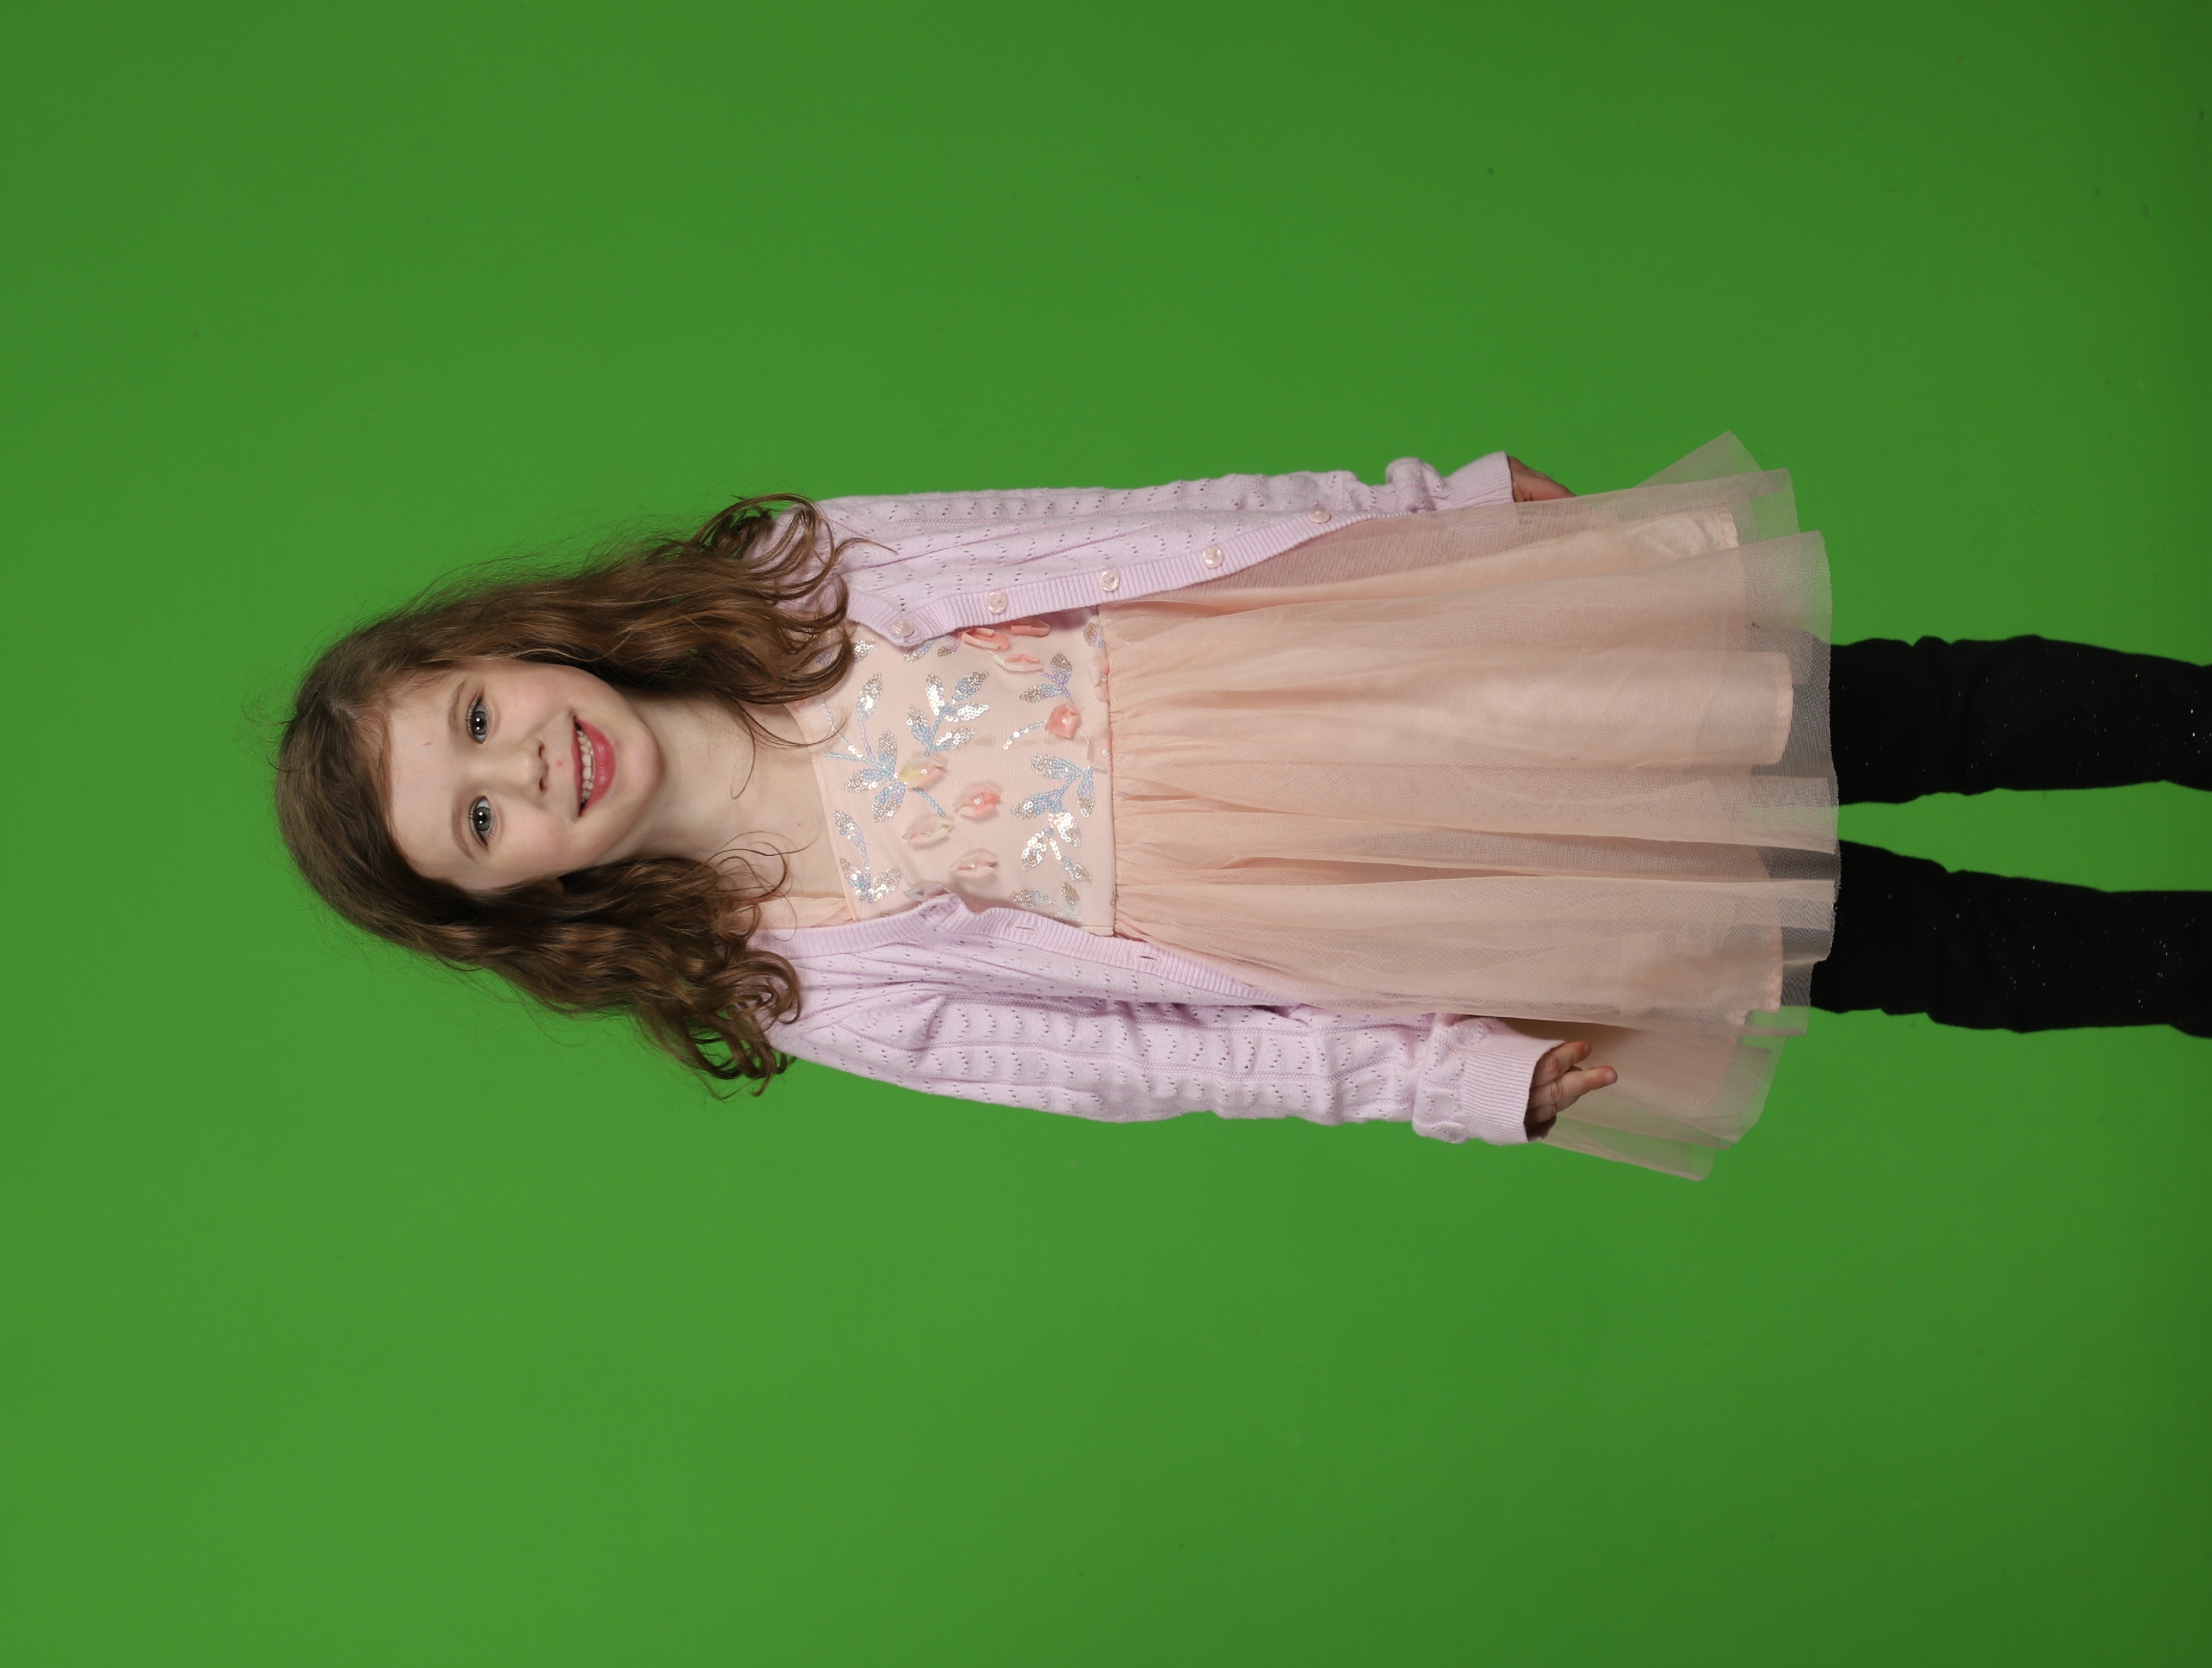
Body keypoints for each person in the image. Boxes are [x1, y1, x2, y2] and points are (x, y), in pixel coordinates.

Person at [274, 438, 2209, 1178]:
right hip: (1354, 891)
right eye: (479, 823)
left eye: (475, 720)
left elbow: (1141, 520)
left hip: (1384, 673)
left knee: (1886, 708)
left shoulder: (798, 577)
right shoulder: (807, 977)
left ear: (503, 644)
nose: (523, 766)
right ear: (516, 904)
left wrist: (1425, 506)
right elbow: (1139, 1062)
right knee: (1884, 935)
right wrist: (1453, 1082)